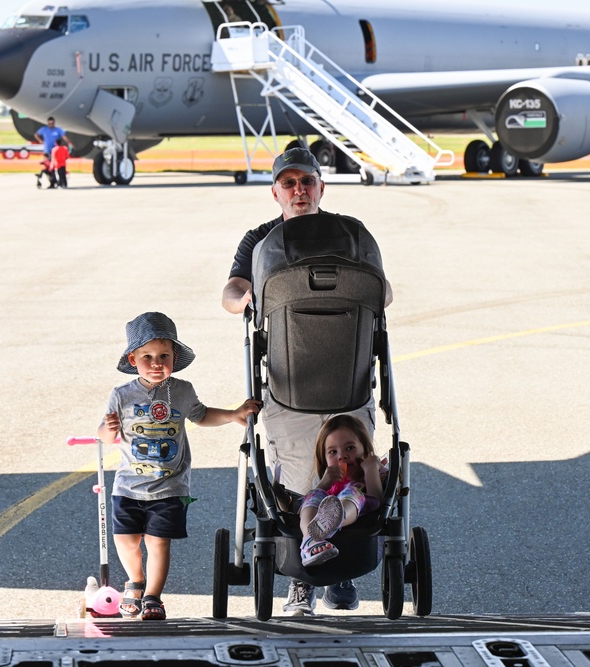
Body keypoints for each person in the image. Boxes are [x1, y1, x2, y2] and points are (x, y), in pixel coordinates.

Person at [220, 146, 393, 615]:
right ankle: (305, 580)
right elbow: (232, 291)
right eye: (289, 182)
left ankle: (342, 571)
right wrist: (247, 296)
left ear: (321, 186)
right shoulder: (259, 240)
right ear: (275, 191)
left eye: (306, 181)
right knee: (298, 474)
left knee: (350, 469)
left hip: (346, 374)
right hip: (287, 379)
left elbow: (384, 292)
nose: (299, 190)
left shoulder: (348, 234)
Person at [97, 312, 260, 621]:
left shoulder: (183, 390)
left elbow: (200, 415)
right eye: (147, 356)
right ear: (133, 358)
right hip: (128, 485)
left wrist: (233, 414)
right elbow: (105, 437)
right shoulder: (121, 395)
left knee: (158, 543)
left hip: (170, 486)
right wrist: (108, 427)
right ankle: (135, 581)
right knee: (126, 540)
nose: (156, 363)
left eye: (164, 355)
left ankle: (154, 596)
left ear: (174, 356)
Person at [298, 415, 387, 567]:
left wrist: (371, 469)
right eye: (333, 452)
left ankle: (336, 517)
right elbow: (313, 499)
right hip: (321, 515)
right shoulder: (330, 484)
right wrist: (324, 483)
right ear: (324, 459)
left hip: (358, 517)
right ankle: (310, 539)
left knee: (353, 493)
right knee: (314, 495)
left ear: (365, 450)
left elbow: (377, 504)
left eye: (350, 448)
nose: (342, 456)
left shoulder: (374, 472)